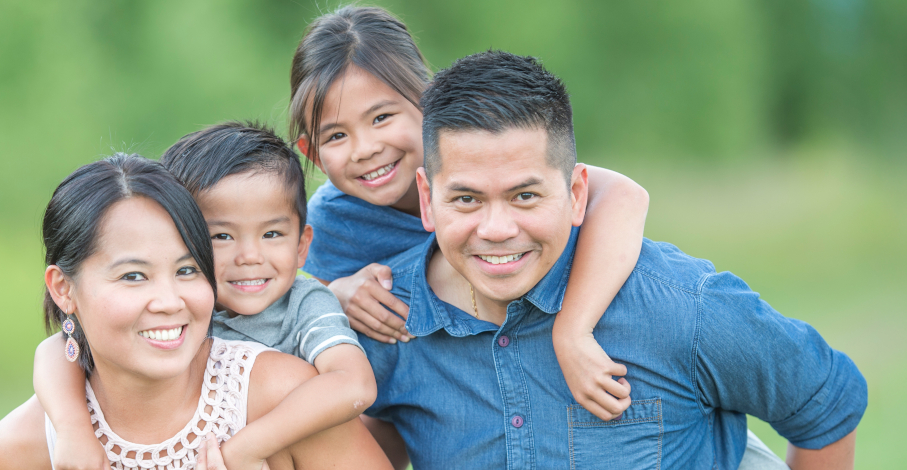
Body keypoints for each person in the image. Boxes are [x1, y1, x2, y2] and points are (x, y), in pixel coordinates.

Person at [358, 51, 867, 469]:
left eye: (525, 197)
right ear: (427, 200)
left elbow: (825, 403)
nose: (496, 230)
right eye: (466, 199)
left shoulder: (680, 306)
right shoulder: (385, 323)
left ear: (577, 192)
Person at [289, 4, 653, 429]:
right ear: (311, 152)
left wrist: (572, 330)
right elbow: (283, 308)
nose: (365, 147)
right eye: (336, 135)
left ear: (427, 107)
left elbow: (623, 194)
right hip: (463, 390)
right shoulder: (331, 224)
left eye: (382, 117)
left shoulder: (479, 158)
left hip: (597, 345)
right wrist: (335, 297)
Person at [0, 154, 389, 470]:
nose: (171, 301)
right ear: (64, 289)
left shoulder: (282, 399)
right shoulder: (20, 448)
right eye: (134, 276)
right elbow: (59, 346)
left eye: (188, 269)